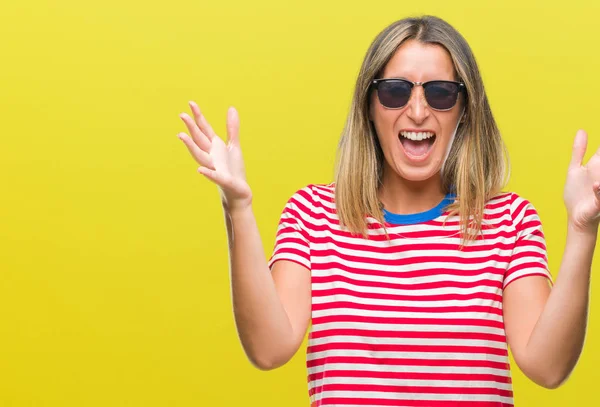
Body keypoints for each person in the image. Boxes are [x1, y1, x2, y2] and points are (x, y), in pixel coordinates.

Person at [177, 15, 598, 407]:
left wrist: (582, 230)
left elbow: (548, 367)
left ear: (464, 111)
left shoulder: (509, 221)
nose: (417, 111)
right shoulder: (313, 215)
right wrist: (238, 208)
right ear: (370, 106)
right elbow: (268, 350)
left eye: (440, 92)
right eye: (396, 91)